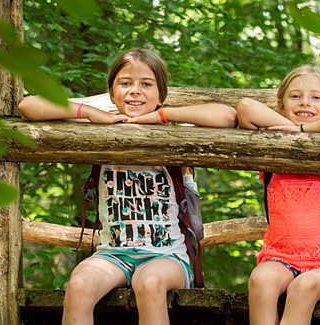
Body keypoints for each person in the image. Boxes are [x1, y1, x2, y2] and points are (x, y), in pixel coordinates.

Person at [18, 49, 237, 325]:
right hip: (113, 255)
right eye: (125, 83)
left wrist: (162, 116)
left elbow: (228, 116)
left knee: (149, 283)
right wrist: (91, 113)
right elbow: (28, 106)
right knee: (80, 283)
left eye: (146, 84)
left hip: (167, 256)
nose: (135, 90)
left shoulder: (176, 131)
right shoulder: (98, 129)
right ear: (112, 92)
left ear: (161, 94)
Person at [236, 65, 320, 325]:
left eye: (316, 97)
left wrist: (303, 130)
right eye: (295, 96)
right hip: (281, 258)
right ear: (281, 105)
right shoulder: (272, 143)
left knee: (304, 286)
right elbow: (245, 107)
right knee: (260, 279)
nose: (305, 102)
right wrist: (292, 129)